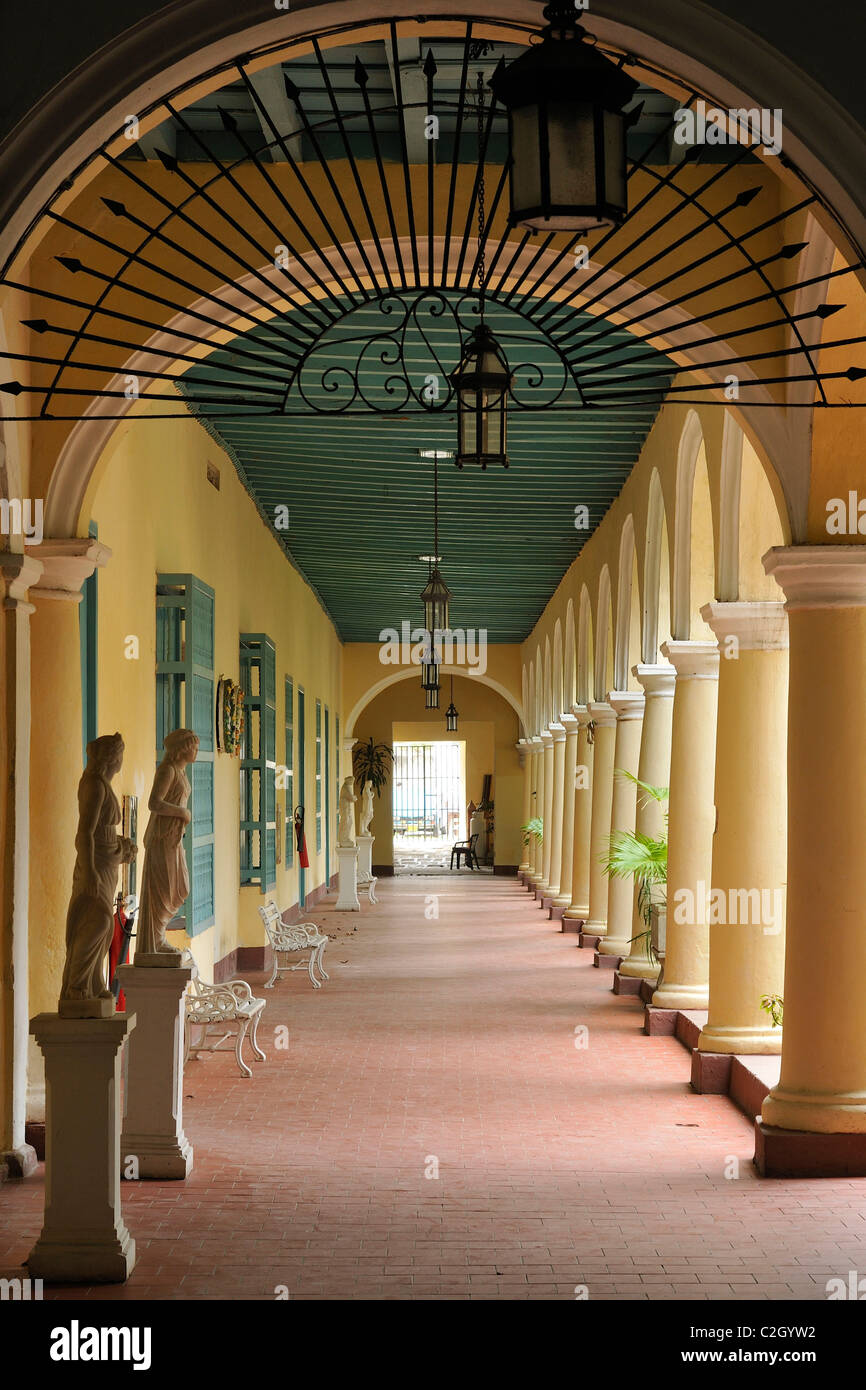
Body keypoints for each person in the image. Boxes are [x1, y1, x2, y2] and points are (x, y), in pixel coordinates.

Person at [60, 732, 136, 1009]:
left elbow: (103, 835)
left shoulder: (101, 784)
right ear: (110, 757)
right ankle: (76, 986)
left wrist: (121, 847)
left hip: (105, 863)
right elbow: (85, 835)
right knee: (98, 921)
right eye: (119, 756)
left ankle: (92, 985)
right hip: (96, 866)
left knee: (103, 930)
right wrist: (90, 871)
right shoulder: (94, 785)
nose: (120, 762)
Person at [136, 728, 199, 960]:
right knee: (164, 889)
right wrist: (182, 812)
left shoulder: (181, 772)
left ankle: (158, 936)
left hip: (173, 839)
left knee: (179, 887)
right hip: (162, 838)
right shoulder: (168, 770)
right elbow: (154, 803)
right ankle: (156, 941)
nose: (196, 751)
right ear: (182, 749)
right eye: (193, 746)